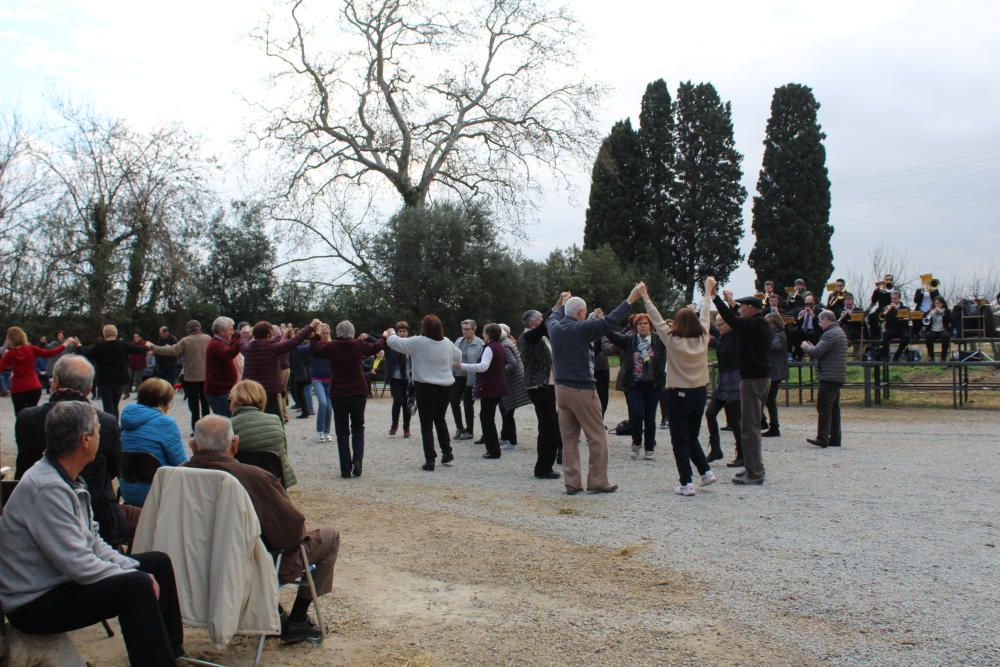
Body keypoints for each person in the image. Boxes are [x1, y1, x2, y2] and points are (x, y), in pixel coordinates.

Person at [0, 401, 184, 665]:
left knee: (158, 563)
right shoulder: (47, 488)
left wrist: (130, 566)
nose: (103, 436)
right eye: (98, 431)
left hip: (57, 581)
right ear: (85, 440)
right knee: (137, 586)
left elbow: (94, 543)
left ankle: (171, 652)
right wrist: (133, 574)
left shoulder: (68, 477)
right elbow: (78, 563)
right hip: (33, 601)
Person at [183, 415, 338, 644]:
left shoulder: (177, 477)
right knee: (329, 536)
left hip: (192, 568)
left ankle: (277, 614)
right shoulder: (253, 477)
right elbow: (290, 533)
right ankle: (297, 620)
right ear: (235, 444)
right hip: (249, 569)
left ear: (193, 445)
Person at [14, 355, 138, 546]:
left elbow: (24, 460)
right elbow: (115, 469)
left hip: (35, 513)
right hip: (96, 516)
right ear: (89, 388)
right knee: (147, 520)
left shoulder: (26, 419)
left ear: (54, 382)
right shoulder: (104, 422)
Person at [546, 284, 642, 495]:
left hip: (561, 389)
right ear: (582, 313)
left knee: (569, 437)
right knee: (596, 435)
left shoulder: (554, 327)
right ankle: (597, 480)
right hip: (582, 388)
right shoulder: (583, 328)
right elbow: (610, 321)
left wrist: (560, 302)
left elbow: (551, 315)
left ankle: (572, 482)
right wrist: (630, 299)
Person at [641, 281, 716, 496]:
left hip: (678, 393)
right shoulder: (703, 338)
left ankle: (686, 482)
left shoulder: (672, 340)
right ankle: (705, 471)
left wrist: (646, 296)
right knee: (691, 435)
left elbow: (655, 317)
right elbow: (705, 316)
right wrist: (708, 291)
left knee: (679, 439)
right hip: (700, 392)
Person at [712, 287, 772, 485]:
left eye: (742, 306)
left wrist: (715, 298)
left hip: (753, 380)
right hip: (760, 378)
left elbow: (733, 320)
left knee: (749, 427)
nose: (740, 309)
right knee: (750, 425)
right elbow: (737, 317)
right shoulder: (758, 323)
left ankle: (754, 472)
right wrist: (731, 302)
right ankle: (753, 467)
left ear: (751, 308)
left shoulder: (754, 325)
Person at [385, 316, 462, 470]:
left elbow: (394, 343)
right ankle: (447, 452)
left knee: (426, 424)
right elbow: (458, 355)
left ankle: (430, 460)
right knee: (440, 419)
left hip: (425, 387)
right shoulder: (446, 342)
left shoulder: (418, 341)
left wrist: (391, 332)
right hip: (445, 387)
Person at [309, 321, 385, 478]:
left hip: (339, 392)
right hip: (358, 392)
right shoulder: (358, 344)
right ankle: (358, 459)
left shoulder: (332, 346)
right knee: (358, 427)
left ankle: (345, 468)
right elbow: (375, 347)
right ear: (352, 332)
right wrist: (384, 337)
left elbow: (315, 350)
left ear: (337, 333)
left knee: (342, 431)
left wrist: (315, 334)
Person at [606, 312, 667, 461]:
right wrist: (603, 323)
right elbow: (613, 336)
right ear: (635, 327)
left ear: (650, 325)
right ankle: (636, 442)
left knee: (650, 416)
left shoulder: (659, 339)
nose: (643, 326)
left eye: (645, 323)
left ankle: (649, 447)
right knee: (637, 413)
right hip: (634, 384)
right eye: (640, 324)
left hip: (653, 383)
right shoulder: (629, 340)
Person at [119, 379, 188, 506]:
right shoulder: (166, 423)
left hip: (127, 490)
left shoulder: (126, 421)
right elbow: (180, 463)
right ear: (163, 402)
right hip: (157, 492)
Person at [241, 320, 318, 419]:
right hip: (269, 393)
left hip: (250, 393)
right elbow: (295, 341)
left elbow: (242, 342)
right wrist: (310, 327)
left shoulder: (247, 348)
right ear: (269, 334)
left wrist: (245, 332)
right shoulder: (273, 348)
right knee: (275, 423)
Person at [518, 310, 562, 479]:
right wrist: (558, 307)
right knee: (548, 428)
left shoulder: (540, 336)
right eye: (541, 318)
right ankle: (543, 468)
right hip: (539, 386)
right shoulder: (528, 337)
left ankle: (544, 466)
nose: (544, 321)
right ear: (532, 323)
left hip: (546, 386)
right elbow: (543, 327)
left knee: (548, 427)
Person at [229, 379, 297, 488]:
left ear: (235, 401)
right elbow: (283, 452)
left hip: (244, 483)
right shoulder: (275, 420)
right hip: (275, 480)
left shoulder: (229, 425)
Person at [147, 320, 211, 432]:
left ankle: (196, 429)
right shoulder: (208, 339)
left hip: (191, 377)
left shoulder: (186, 340)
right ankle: (207, 428)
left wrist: (154, 347)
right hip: (207, 376)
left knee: (194, 405)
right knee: (205, 403)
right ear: (199, 328)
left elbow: (172, 351)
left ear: (188, 329)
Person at [458, 323, 508, 459]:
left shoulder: (490, 348)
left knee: (487, 419)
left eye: (485, 333)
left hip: (491, 387)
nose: (483, 335)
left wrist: (462, 365)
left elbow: (483, 366)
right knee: (487, 417)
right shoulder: (500, 346)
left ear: (489, 335)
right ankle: (493, 448)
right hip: (498, 386)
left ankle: (493, 450)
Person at [0, 326, 73, 415]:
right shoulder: (31, 349)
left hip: (18, 388)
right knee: (33, 414)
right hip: (34, 387)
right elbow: (50, 353)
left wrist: (4, 348)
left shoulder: (10, 354)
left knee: (20, 415)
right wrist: (65, 344)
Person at [80, 325, 149, 418]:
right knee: (115, 404)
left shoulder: (99, 347)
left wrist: (78, 346)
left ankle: (110, 427)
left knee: (108, 406)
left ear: (104, 334)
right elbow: (138, 350)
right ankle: (115, 425)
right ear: (116, 333)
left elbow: (86, 354)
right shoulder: (123, 345)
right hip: (120, 379)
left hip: (104, 380)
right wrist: (148, 346)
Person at [802, 311, 848, 448]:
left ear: (827, 320)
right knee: (834, 408)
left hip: (829, 375)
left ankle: (822, 437)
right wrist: (813, 347)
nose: (820, 324)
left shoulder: (830, 333)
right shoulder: (839, 332)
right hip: (836, 375)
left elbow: (816, 352)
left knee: (824, 408)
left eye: (821, 321)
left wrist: (806, 346)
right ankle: (835, 438)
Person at [705, 315, 742, 466]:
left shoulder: (737, 336)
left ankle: (742, 454)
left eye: (721, 324)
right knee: (710, 413)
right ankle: (715, 448)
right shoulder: (724, 337)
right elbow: (716, 337)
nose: (718, 327)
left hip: (734, 380)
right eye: (717, 324)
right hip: (723, 381)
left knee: (734, 420)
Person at [498, 323, 531, 451]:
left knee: (507, 411)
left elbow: (512, 363)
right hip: (511, 382)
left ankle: (512, 442)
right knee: (506, 411)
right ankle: (505, 438)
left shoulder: (505, 345)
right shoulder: (506, 342)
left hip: (512, 383)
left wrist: (498, 370)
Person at [203, 316, 243, 417]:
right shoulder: (216, 344)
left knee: (228, 419)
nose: (232, 332)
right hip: (219, 392)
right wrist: (242, 338)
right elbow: (229, 353)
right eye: (230, 329)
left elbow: (230, 347)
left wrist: (239, 337)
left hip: (221, 390)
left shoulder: (218, 343)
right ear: (221, 331)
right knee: (227, 420)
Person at [451, 320, 483, 441]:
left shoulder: (480, 343)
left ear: (474, 330)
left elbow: (481, 362)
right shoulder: (458, 341)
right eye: (463, 328)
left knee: (468, 404)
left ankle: (469, 431)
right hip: (458, 376)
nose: (465, 331)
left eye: (467, 329)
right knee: (453, 401)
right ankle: (460, 428)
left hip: (471, 377)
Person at [384, 320, 412, 438]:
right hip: (395, 378)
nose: (402, 333)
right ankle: (394, 424)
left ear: (407, 332)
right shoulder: (392, 344)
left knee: (407, 404)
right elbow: (378, 341)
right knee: (398, 400)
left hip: (408, 378)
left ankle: (406, 427)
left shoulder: (411, 344)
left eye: (404, 331)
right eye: (400, 331)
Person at [763, 313, 789, 438]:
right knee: (765, 399)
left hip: (776, 372)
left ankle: (774, 426)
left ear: (773, 324)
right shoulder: (776, 334)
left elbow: (775, 346)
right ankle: (763, 421)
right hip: (773, 371)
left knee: (770, 400)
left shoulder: (779, 335)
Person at [309, 324, 334, 442]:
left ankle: (327, 431)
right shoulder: (315, 346)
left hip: (329, 379)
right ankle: (320, 430)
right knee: (323, 403)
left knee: (329, 407)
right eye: (323, 333)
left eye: (327, 333)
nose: (325, 335)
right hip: (317, 379)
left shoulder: (332, 345)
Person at [880, 290, 911, 361]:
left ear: (899, 299)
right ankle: (886, 357)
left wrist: (897, 309)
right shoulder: (887, 308)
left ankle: (897, 356)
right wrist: (885, 312)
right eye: (892, 299)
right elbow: (881, 319)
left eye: (895, 299)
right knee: (885, 335)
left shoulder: (906, 308)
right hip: (891, 329)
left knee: (907, 337)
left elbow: (906, 320)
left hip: (902, 329)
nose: (893, 300)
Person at [924, 296, 952, 361]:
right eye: (936, 303)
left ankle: (943, 357)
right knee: (928, 336)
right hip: (933, 330)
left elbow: (950, 320)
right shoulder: (931, 311)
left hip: (943, 330)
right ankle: (931, 357)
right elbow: (925, 322)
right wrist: (929, 315)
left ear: (942, 304)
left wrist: (943, 313)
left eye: (939, 303)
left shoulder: (947, 311)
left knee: (945, 336)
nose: (937, 305)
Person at [125, 332, 148, 398]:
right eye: (134, 336)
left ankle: (139, 394)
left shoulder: (144, 344)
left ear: (140, 337)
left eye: (136, 336)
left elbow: (145, 350)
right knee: (128, 377)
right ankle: (126, 393)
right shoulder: (132, 343)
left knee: (138, 379)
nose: (135, 338)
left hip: (140, 364)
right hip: (131, 364)